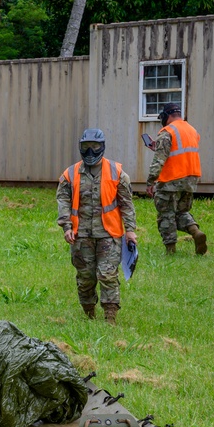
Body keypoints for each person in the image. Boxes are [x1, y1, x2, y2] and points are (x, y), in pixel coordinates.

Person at [56, 129, 138, 325]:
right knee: (85, 278)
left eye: (95, 147)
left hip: (108, 234)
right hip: (80, 235)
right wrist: (66, 226)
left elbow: (126, 203)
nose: (90, 152)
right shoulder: (70, 173)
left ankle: (110, 319)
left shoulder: (117, 172)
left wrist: (130, 231)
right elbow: (63, 200)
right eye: (86, 147)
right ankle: (89, 315)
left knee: (107, 274)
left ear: (103, 147)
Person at [145, 103, 207, 255]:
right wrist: (158, 146)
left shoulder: (167, 132)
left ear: (167, 115)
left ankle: (170, 251)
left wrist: (151, 181)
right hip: (191, 179)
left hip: (171, 180)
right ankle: (195, 231)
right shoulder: (192, 130)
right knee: (181, 212)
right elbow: (180, 152)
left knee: (166, 215)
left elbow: (159, 160)